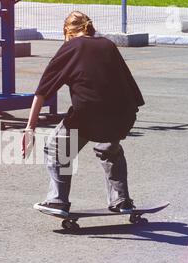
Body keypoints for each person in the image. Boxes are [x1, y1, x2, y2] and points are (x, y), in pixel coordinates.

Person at [22, 11, 145, 217]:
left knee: (57, 150)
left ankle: (57, 201)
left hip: (89, 113)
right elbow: (127, 82)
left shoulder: (71, 46)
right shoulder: (108, 44)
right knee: (109, 148)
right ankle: (121, 200)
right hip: (124, 112)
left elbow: (42, 91)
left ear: (67, 31)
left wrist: (30, 128)